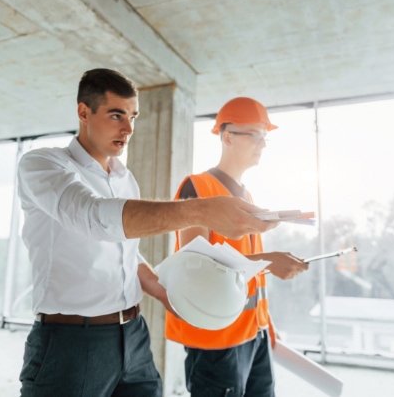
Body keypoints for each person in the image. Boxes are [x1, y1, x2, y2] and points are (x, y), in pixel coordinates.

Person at [16, 69, 279, 397]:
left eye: (132, 116)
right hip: (71, 342)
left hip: (134, 335)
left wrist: (162, 291)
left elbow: (124, 250)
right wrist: (199, 210)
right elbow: (94, 217)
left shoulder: (125, 178)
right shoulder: (43, 165)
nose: (128, 128)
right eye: (116, 115)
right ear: (84, 112)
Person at [165, 97, 309, 397]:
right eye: (255, 134)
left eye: (265, 137)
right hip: (217, 339)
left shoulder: (248, 196)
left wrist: (265, 323)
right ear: (227, 136)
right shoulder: (197, 187)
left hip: (253, 335)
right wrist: (269, 260)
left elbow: (252, 279)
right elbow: (195, 266)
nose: (263, 144)